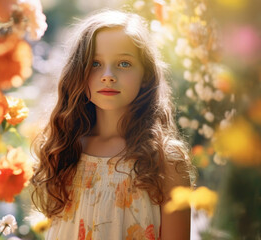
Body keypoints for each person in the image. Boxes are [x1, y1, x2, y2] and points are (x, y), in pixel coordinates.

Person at [31, 9, 195, 240]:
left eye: (124, 64)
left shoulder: (165, 160)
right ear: (78, 72)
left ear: (146, 75)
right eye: (95, 63)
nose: (108, 75)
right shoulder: (65, 151)